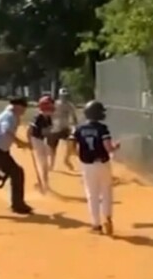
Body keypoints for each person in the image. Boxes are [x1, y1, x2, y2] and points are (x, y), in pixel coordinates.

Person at [72, 100, 120, 235]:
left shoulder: (79, 128)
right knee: (106, 192)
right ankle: (108, 217)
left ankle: (96, 225)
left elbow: (72, 146)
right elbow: (108, 148)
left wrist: (79, 155)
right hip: (103, 163)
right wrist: (116, 146)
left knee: (92, 194)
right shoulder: (102, 128)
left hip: (87, 165)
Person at [26, 95, 55, 193]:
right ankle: (43, 183)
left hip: (42, 140)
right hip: (36, 140)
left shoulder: (48, 118)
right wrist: (29, 143)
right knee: (44, 163)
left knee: (48, 157)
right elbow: (29, 131)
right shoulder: (38, 117)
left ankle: (43, 182)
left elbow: (48, 131)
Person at [48, 87, 78, 171]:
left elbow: (74, 117)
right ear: (59, 96)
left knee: (72, 142)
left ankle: (66, 159)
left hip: (65, 128)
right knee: (52, 148)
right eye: (62, 96)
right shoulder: (54, 104)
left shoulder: (69, 105)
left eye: (65, 96)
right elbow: (48, 115)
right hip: (55, 129)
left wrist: (75, 126)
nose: (64, 97)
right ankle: (51, 165)